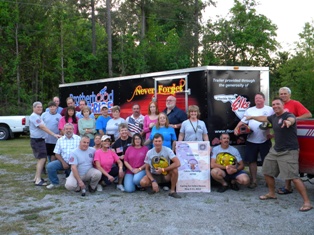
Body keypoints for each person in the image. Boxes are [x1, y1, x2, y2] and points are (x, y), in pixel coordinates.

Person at [245, 97, 312, 212]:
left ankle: (307, 202)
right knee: (266, 171)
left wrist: (288, 122)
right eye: (273, 105)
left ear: (283, 105)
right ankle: (271, 193)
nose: (275, 106)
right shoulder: (274, 117)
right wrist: (252, 117)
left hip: (289, 151)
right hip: (276, 150)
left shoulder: (287, 115)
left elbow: (292, 119)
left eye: (278, 104)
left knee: (294, 177)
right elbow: (264, 118)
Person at [234, 92, 273, 189]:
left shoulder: (270, 109)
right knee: (252, 161)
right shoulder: (250, 110)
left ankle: (268, 181)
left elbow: (275, 122)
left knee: (267, 162)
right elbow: (243, 121)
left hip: (265, 140)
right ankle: (254, 181)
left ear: (264, 99)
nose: (258, 100)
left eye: (260, 98)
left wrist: (272, 134)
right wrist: (236, 128)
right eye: (256, 98)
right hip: (251, 140)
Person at [277, 87, 312, 195]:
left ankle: (288, 187)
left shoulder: (295, 103)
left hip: (292, 138)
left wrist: (293, 119)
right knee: (285, 162)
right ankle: (288, 186)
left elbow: (308, 114)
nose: (283, 95)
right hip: (282, 138)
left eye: (285, 93)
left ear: (289, 95)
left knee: (289, 161)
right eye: (281, 94)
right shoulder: (279, 105)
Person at [140, 133, 181, 198]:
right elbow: (147, 169)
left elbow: (178, 163)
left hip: (165, 174)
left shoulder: (168, 150)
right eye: (156, 141)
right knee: (143, 182)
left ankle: (172, 191)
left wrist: (163, 169)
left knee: (175, 170)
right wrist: (153, 181)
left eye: (159, 141)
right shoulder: (149, 152)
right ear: (153, 142)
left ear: (162, 142)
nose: (157, 143)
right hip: (154, 174)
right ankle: (156, 185)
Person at [29, 101, 61, 186]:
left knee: (41, 159)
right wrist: (54, 134)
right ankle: (38, 180)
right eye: (38, 107)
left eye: (41, 107)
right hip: (38, 140)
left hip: (39, 140)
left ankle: (36, 178)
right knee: (42, 159)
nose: (40, 108)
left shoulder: (37, 116)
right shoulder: (34, 117)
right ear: (34, 108)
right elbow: (42, 127)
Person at [46, 123, 81, 189]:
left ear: (73, 130)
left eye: (70, 129)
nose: (68, 130)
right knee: (50, 166)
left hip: (75, 163)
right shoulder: (60, 140)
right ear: (64, 130)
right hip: (63, 161)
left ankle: (72, 179)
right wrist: (63, 162)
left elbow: (82, 152)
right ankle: (54, 183)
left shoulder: (78, 139)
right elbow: (57, 153)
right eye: (66, 129)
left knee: (72, 181)